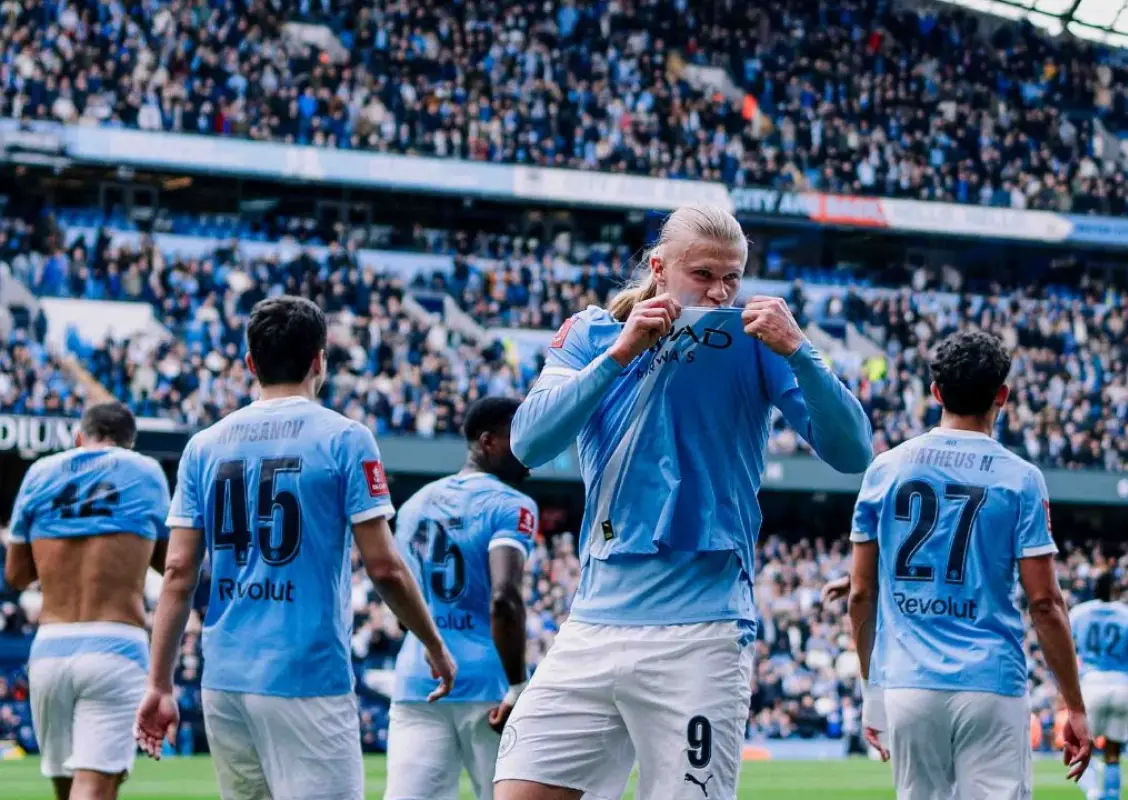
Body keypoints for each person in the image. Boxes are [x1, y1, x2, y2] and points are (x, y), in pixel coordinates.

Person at [493, 204, 874, 800]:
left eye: (732, 278)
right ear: (659, 267)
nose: (720, 292)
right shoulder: (592, 333)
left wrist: (801, 351)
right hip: (593, 623)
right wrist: (618, 354)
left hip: (703, 630)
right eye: (703, 275)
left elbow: (852, 452)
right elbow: (528, 442)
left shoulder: (758, 344)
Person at [134, 295, 457, 800]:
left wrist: (158, 684)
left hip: (225, 679)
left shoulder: (204, 444)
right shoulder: (345, 439)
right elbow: (385, 567)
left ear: (249, 364)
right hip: (307, 674)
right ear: (319, 360)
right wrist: (434, 645)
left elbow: (177, 571)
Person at [848, 329, 1092, 800]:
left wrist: (872, 690)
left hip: (907, 682)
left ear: (936, 392)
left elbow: (861, 593)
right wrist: (1074, 706)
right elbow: (1044, 603)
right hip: (990, 680)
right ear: (1002, 395)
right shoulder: (1020, 479)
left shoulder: (886, 468)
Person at [4, 402, 170, 800]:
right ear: (129, 442)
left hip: (49, 650)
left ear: (80, 437)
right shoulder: (144, 471)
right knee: (95, 790)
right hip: (115, 647)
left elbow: (16, 575)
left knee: (67, 790)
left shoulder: (39, 473)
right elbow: (170, 565)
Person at [386, 396, 538, 800]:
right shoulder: (512, 505)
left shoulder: (414, 506)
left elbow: (401, 607)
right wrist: (518, 685)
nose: (529, 447)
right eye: (517, 437)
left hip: (418, 680)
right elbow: (504, 600)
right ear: (487, 441)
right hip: (489, 685)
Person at [1070, 571, 1128, 800]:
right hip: (1121, 685)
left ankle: (1092, 792)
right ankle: (1112, 796)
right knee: (1113, 751)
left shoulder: (1079, 613)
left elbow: (1067, 650)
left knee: (1079, 747)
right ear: (1116, 590)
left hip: (1091, 682)